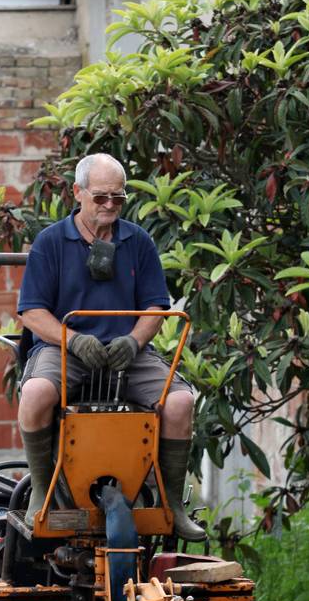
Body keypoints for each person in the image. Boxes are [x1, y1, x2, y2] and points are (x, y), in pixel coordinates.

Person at [16, 151, 205, 541]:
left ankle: (172, 503)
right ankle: (40, 493)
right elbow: (31, 312)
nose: (109, 206)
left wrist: (134, 341)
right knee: (34, 394)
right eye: (101, 197)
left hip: (126, 353)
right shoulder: (51, 242)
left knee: (180, 401)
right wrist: (73, 340)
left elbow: (156, 306)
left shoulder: (138, 241)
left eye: (118, 198)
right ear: (78, 193)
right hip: (66, 349)